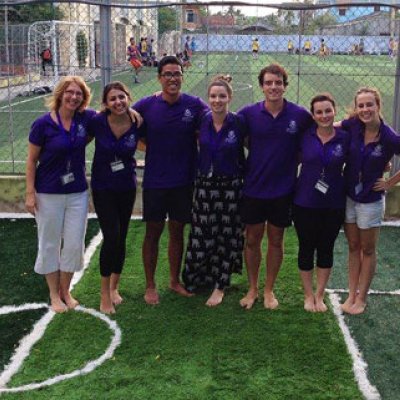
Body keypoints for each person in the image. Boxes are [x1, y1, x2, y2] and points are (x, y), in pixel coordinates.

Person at [133, 56, 209, 305]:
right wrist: (153, 148)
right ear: (159, 78)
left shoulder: (194, 105)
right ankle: (150, 285)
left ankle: (174, 281)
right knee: (153, 232)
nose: (173, 78)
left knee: (177, 231)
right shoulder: (146, 105)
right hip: (155, 180)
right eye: (167, 74)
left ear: (182, 77)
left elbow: (214, 119)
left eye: (176, 74)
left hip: (184, 180)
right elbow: (127, 123)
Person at [238, 64, 313, 310]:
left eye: (278, 82)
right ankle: (253, 288)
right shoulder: (248, 114)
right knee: (252, 240)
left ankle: (269, 289)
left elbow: (320, 131)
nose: (273, 87)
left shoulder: (299, 115)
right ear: (261, 86)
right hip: (253, 187)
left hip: (283, 190)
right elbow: (223, 123)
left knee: (276, 240)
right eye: (269, 83)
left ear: (284, 85)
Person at [25, 76, 95, 313]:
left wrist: (133, 113)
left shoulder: (85, 119)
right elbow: (32, 160)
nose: (74, 97)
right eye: (70, 92)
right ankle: (54, 294)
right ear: (60, 94)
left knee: (74, 243)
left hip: (77, 193)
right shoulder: (42, 124)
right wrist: (29, 193)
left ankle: (66, 290)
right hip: (48, 193)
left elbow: (111, 114)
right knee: (49, 243)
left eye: (79, 94)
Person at [182, 75, 246, 307]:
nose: (217, 100)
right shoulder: (202, 120)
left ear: (230, 97)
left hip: (230, 186)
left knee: (226, 236)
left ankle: (221, 283)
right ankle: (198, 276)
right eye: (213, 96)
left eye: (222, 96)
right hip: (204, 185)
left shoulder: (238, 122)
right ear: (208, 98)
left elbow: (250, 148)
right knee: (201, 233)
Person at [338, 87, 400, 315]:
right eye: (361, 105)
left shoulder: (389, 136)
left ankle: (361, 298)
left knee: (368, 249)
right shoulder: (353, 125)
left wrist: (390, 182)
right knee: (353, 247)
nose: (365, 110)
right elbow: (330, 128)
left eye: (369, 105)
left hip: (371, 200)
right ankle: (351, 292)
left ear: (377, 106)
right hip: (349, 197)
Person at [88, 82, 143, 314]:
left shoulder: (137, 122)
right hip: (103, 187)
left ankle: (114, 288)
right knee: (111, 236)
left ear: (128, 98)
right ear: (105, 103)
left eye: (122, 97)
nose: (118, 102)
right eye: (113, 99)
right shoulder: (97, 121)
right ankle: (104, 295)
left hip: (126, 186)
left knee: (121, 236)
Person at [293, 93, 350, 312]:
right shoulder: (305, 135)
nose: (324, 115)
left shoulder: (345, 137)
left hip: (333, 203)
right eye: (319, 112)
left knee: (326, 248)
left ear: (334, 111)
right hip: (304, 201)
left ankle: (319, 295)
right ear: (313, 115)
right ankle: (308, 295)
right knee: (306, 248)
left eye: (328, 111)